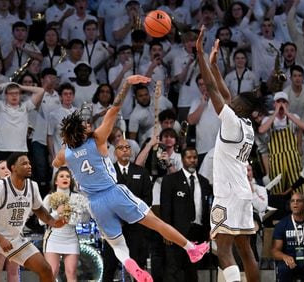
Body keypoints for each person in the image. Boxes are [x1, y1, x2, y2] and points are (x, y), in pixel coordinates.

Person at [52, 74, 209, 282]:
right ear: (81, 131)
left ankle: (131, 266)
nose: (89, 125)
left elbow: (55, 162)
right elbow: (115, 109)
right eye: (85, 125)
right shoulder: (97, 139)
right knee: (155, 223)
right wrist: (126, 84)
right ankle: (191, 249)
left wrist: (67, 142)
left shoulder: (67, 154)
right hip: (113, 192)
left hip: (94, 203)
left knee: (117, 245)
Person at [196, 26, 260, 282]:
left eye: (234, 103)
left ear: (239, 109)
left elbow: (212, 90)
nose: (229, 102)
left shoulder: (232, 121)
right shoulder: (246, 125)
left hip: (228, 193)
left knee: (222, 250)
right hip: (242, 192)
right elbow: (224, 92)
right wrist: (215, 66)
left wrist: (199, 53)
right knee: (246, 251)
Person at [0, 152, 67, 282]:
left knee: (46, 269)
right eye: (24, 163)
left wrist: (53, 222)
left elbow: (38, 209)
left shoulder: (32, 186)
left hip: (14, 238)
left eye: (29, 163)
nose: (29, 166)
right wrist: (0, 238)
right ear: (13, 168)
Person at [101, 137, 153, 281]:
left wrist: (131, 215)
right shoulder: (107, 172)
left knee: (138, 267)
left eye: (127, 147)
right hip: (114, 228)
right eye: (121, 148)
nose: (125, 150)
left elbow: (147, 199)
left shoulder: (141, 172)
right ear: (115, 152)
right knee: (109, 267)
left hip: (136, 227)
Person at [160, 147, 213, 282]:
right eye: (189, 158)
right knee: (173, 269)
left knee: (192, 271)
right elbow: (165, 208)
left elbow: (207, 208)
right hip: (176, 232)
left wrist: (208, 232)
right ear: (183, 159)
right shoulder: (170, 180)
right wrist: (166, 231)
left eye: (194, 158)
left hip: (198, 232)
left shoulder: (204, 182)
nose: (192, 161)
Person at [41, 167, 85, 281]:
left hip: (71, 238)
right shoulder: (49, 197)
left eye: (67, 176)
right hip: (53, 238)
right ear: (56, 181)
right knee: (52, 271)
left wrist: (74, 215)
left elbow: (85, 219)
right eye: (61, 176)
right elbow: (41, 221)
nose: (65, 178)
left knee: (71, 272)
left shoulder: (78, 197)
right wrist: (56, 213)